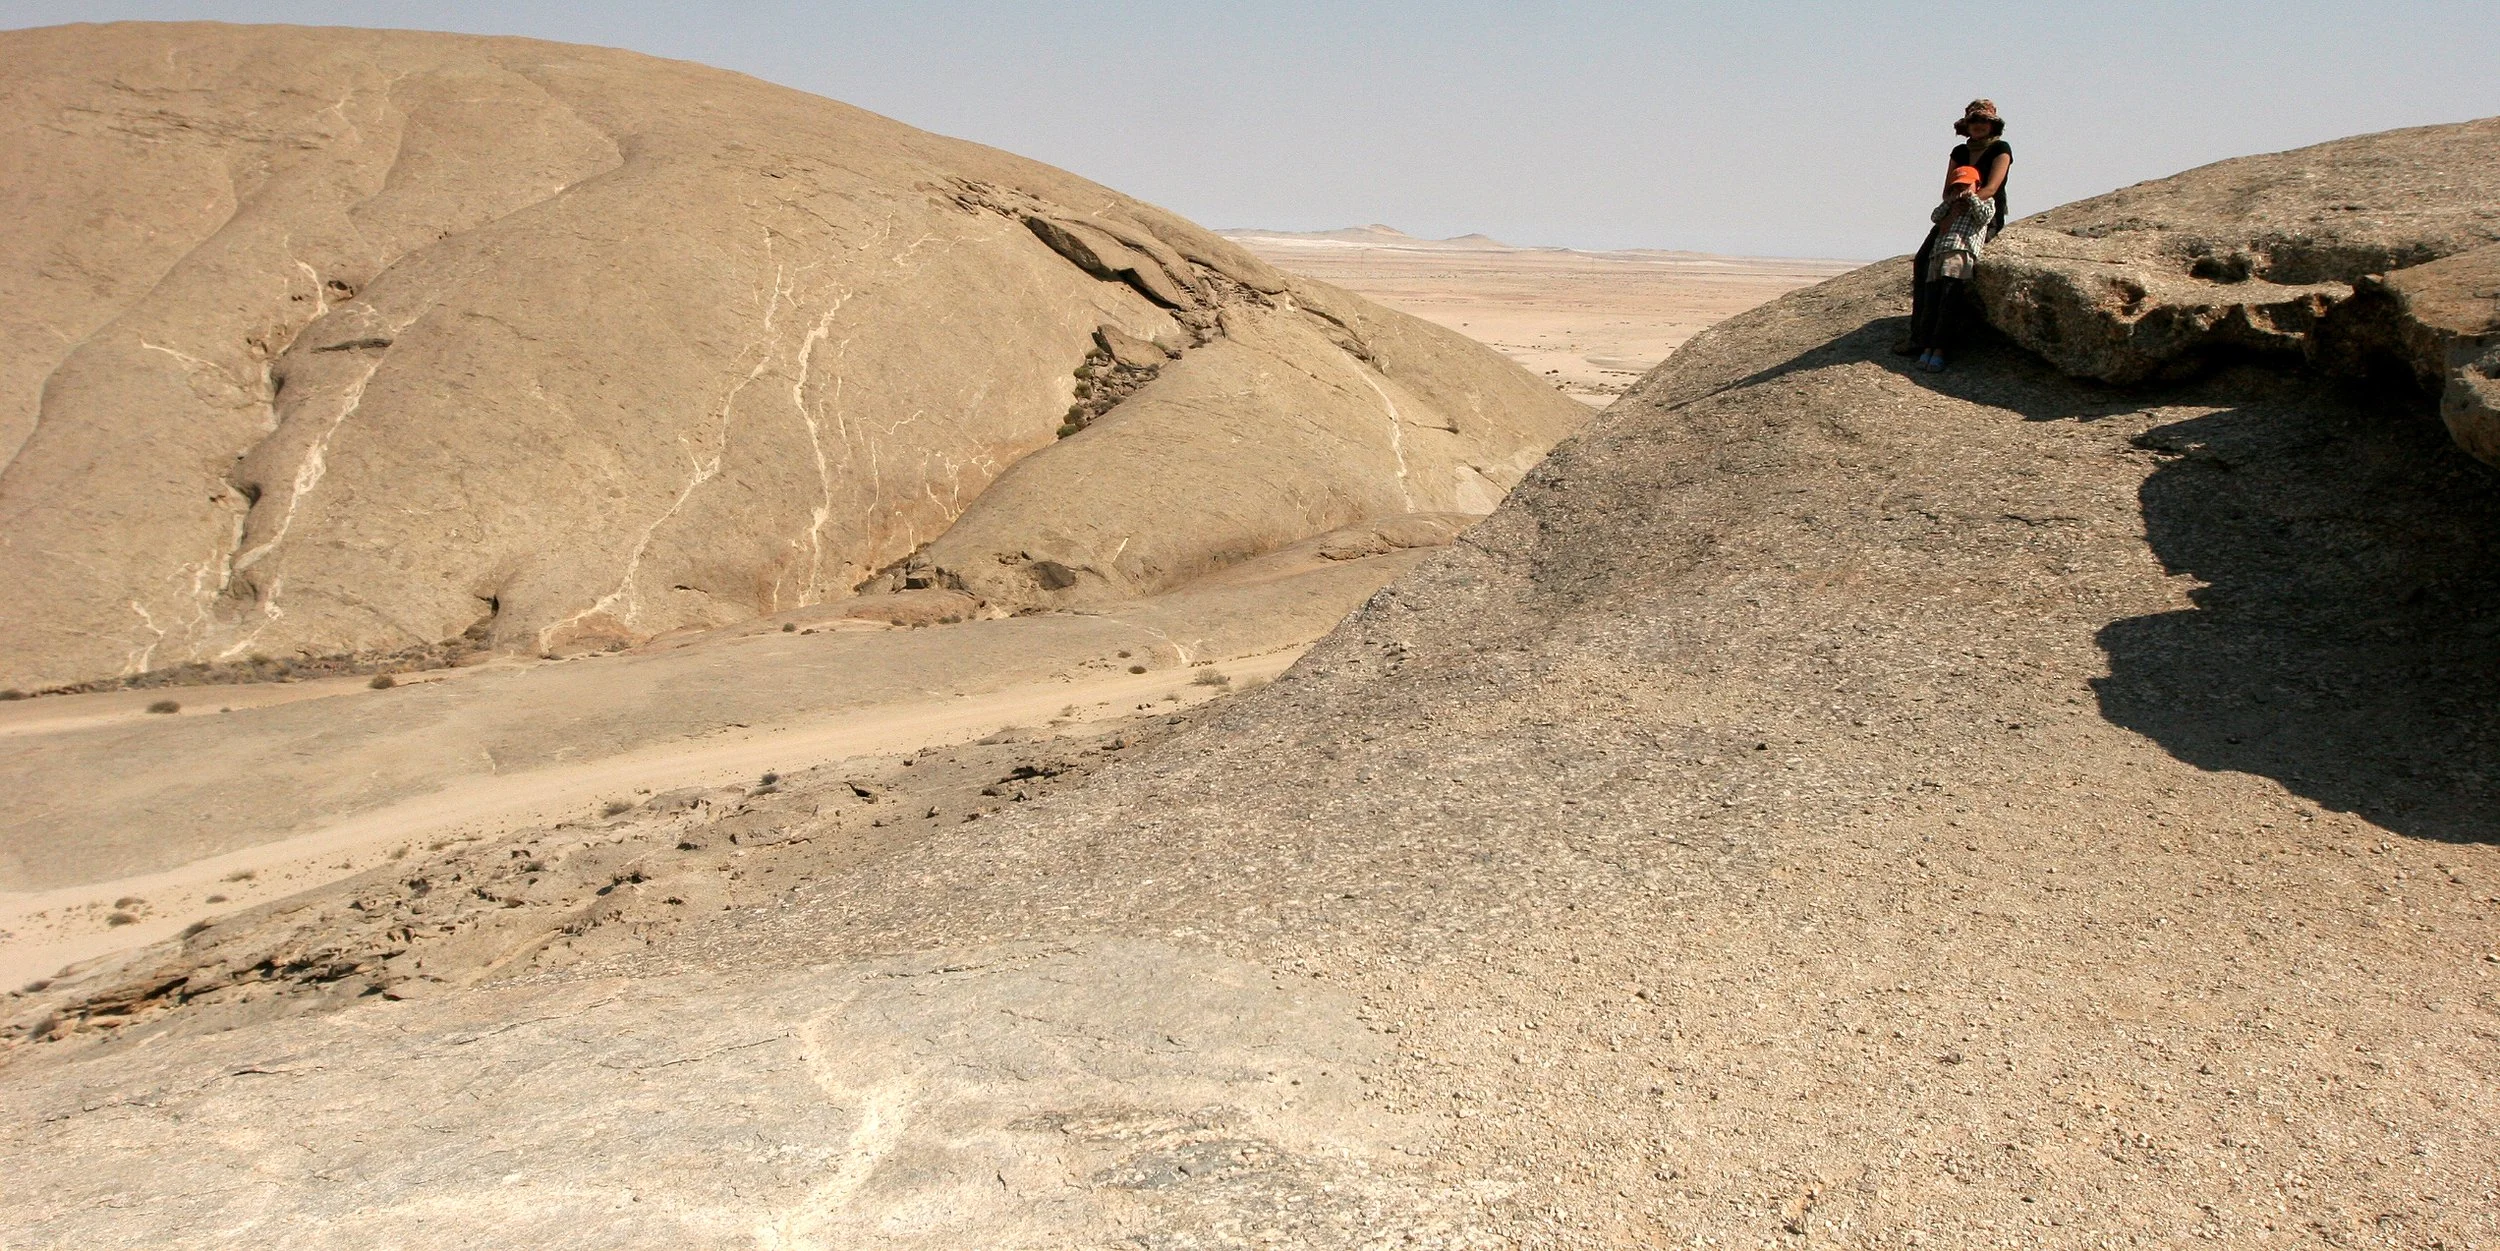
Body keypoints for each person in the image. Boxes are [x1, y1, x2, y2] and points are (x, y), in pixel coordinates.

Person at [1896, 100, 2013, 356]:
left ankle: (1943, 342)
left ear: (1992, 125)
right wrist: (1951, 209)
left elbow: (1992, 188)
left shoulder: (2000, 149)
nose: (1979, 125)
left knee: (1954, 274)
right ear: (1967, 125)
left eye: (1984, 121)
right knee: (1924, 261)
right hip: (1953, 211)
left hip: (1982, 214)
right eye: (1974, 121)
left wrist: (1967, 203)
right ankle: (1919, 336)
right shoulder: (1960, 151)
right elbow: (1948, 188)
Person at [1911, 165, 1995, 370]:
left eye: (1966, 185)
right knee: (1931, 304)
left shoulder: (1986, 202)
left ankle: (1940, 350)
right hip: (1938, 254)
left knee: (1948, 302)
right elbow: (1935, 217)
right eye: (1957, 187)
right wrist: (1950, 201)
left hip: (1960, 254)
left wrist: (1972, 198)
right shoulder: (1951, 206)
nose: (1961, 190)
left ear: (1977, 185)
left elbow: (1984, 217)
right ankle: (1927, 348)